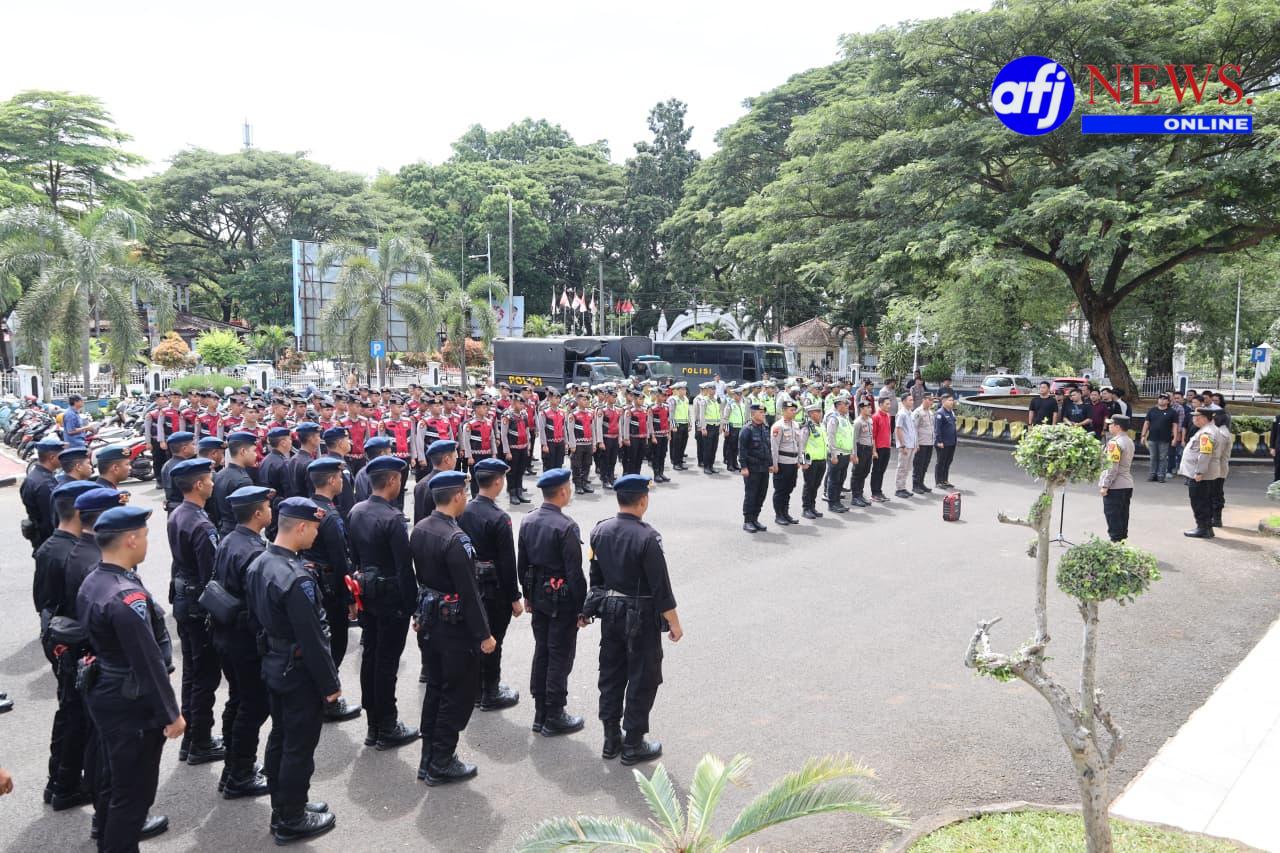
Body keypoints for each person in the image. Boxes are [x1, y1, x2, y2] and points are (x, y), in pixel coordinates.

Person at [76, 504, 182, 850]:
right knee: (133, 794)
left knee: (115, 782)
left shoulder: (95, 579)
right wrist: (171, 714)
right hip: (130, 701)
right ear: (131, 540)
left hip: (107, 691)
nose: (147, 542)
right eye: (145, 536)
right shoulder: (125, 595)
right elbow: (147, 661)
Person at [244, 497, 340, 844]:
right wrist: (330, 684)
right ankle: (292, 818)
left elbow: (254, 620)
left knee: (281, 738)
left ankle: (284, 805)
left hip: (274, 662)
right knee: (298, 746)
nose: (316, 535)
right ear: (300, 527)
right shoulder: (296, 578)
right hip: (298, 671)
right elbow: (312, 638)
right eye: (313, 528)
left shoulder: (260, 562)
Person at [588, 474, 682, 764]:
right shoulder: (648, 537)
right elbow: (661, 586)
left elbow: (595, 577)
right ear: (643, 500)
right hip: (640, 614)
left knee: (611, 674)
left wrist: (589, 608)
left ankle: (610, 738)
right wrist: (674, 622)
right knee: (643, 677)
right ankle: (633, 743)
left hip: (611, 611)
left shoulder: (599, 530)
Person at [411, 470, 496, 785]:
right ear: (458, 496)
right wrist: (484, 634)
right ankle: (442, 761)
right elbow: (470, 593)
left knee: (435, 688)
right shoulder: (456, 539)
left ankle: (429, 757)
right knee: (456, 694)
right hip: (454, 628)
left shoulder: (420, 528)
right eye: (465, 494)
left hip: (430, 620)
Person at [35, 480, 100, 811]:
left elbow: (42, 603)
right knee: (78, 718)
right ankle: (66, 785)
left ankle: (59, 781)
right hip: (73, 644)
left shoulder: (52, 546)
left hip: (60, 640)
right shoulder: (70, 552)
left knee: (68, 713)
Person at [348, 455, 420, 750]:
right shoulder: (392, 518)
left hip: (367, 593)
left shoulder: (356, 511)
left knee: (371, 657)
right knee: (387, 662)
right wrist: (414, 606)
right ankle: (387, 725)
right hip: (391, 599)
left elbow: (354, 557)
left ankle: (374, 724)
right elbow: (404, 568)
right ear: (392, 480)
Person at [209, 485, 272, 800]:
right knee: (253, 706)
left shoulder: (230, 539)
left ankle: (232, 768)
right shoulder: (253, 551)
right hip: (244, 640)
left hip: (226, 635)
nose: (271, 511)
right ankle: (241, 775)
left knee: (238, 701)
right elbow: (259, 605)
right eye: (267, 507)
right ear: (258, 513)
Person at [166, 457, 226, 766]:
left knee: (191, 673)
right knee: (205, 676)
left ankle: (191, 739)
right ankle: (201, 741)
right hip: (197, 608)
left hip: (183, 601)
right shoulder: (201, 525)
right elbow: (210, 577)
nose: (213, 484)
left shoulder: (178, 513)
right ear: (199, 484)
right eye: (210, 479)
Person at [518, 467, 587, 736]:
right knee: (560, 654)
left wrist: (528, 595)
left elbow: (522, 564)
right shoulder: (566, 526)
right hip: (561, 599)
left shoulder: (528, 520)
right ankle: (554, 713)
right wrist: (582, 608)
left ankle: (540, 713)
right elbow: (574, 573)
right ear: (562, 492)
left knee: (543, 650)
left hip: (538, 595)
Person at [459, 459, 523, 712]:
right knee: (494, 639)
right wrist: (514, 597)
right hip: (493, 587)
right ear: (498, 482)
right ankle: (491, 692)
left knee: (477, 637)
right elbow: (507, 562)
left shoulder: (465, 510)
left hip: (470, 584)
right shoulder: (499, 517)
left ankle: (476, 690)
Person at [304, 458, 362, 724]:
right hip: (330, 586)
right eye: (339, 477)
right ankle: (328, 700)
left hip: (312, 581)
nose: (342, 481)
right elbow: (341, 560)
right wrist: (350, 598)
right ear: (331, 480)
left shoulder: (307, 507)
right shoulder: (330, 515)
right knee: (335, 643)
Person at [1179, 407, 1218, 538]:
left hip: (1199, 474)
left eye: (1196, 417)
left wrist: (1199, 472)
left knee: (1199, 501)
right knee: (1203, 500)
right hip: (1201, 472)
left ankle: (1203, 528)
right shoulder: (1207, 430)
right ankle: (1206, 528)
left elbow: (1205, 454)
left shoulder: (1207, 433)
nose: (1194, 419)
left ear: (1204, 418)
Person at [22, 435, 64, 554]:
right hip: (47, 541)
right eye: (61, 454)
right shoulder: (44, 484)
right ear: (52, 457)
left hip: (40, 538)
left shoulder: (33, 477)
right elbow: (50, 520)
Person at [210, 432, 257, 536]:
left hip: (223, 530)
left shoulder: (219, 475)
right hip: (240, 534)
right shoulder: (243, 481)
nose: (256, 455)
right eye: (254, 451)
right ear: (243, 451)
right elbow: (248, 518)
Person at [1099, 415, 1135, 542]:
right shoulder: (1128, 440)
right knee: (1123, 515)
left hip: (1115, 486)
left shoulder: (1114, 443)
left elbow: (1112, 467)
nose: (1109, 426)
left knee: (1113, 516)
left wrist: (1105, 485)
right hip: (1126, 484)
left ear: (1117, 426)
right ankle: (1121, 542)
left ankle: (1115, 543)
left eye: (1111, 424)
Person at [769, 400, 805, 525]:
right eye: (791, 410)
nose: (794, 412)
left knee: (789, 489)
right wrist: (774, 465)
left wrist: (800, 460)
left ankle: (785, 513)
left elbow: (800, 444)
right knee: (780, 490)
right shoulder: (778, 426)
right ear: (784, 411)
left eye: (795, 410)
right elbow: (774, 447)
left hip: (793, 462)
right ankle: (779, 515)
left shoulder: (796, 425)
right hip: (782, 462)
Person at [737, 403, 772, 532]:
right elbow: (742, 450)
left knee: (761, 494)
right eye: (760, 413)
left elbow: (768, 448)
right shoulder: (747, 429)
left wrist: (770, 464)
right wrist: (743, 467)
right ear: (753, 414)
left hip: (764, 467)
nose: (763, 415)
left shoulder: (765, 428)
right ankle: (747, 521)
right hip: (752, 468)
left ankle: (755, 519)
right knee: (751, 495)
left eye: (764, 413)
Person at [414, 439, 458, 525]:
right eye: (455, 457)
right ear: (447, 460)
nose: (456, 460)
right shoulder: (449, 486)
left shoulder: (420, 484)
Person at [823, 396, 853, 513]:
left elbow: (849, 436)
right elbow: (830, 437)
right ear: (839, 405)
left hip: (845, 453)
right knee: (834, 480)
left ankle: (837, 502)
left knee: (841, 479)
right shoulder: (834, 418)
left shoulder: (844, 418)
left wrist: (851, 452)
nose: (848, 406)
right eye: (846, 404)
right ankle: (832, 503)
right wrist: (833, 454)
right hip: (837, 454)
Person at [1141, 394, 1178, 483]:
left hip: (1165, 439)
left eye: (1164, 399)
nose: (1161, 400)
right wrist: (1143, 435)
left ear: (1168, 401)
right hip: (1152, 438)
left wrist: (1175, 438)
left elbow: (1175, 426)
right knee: (1153, 457)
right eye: (1160, 398)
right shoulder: (1152, 410)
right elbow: (1146, 423)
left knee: (1162, 458)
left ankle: (1161, 475)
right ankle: (1152, 474)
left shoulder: (1172, 412)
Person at [799, 403, 827, 519]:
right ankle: (806, 509)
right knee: (809, 485)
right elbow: (801, 445)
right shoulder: (807, 427)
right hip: (811, 462)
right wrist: (803, 462)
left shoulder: (821, 426)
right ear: (810, 414)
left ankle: (812, 507)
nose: (820, 414)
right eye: (817, 412)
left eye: (820, 411)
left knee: (816, 485)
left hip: (822, 460)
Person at [567, 391, 599, 494]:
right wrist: (572, 445)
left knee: (587, 464)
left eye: (587, 400)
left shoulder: (590, 413)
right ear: (577, 400)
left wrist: (594, 444)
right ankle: (578, 485)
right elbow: (570, 430)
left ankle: (585, 483)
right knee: (576, 465)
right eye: (584, 400)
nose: (586, 402)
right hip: (578, 444)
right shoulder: (573, 414)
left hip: (588, 443)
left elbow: (593, 429)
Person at [283, 422, 322, 499]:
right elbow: (313, 492)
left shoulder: (293, 459)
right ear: (311, 439)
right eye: (318, 436)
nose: (319, 439)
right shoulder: (310, 463)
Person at [692, 381, 722, 475]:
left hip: (716, 426)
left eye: (714, 389)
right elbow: (702, 415)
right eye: (711, 389)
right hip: (708, 427)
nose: (713, 391)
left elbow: (719, 413)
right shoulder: (704, 400)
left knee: (714, 448)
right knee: (707, 448)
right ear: (708, 390)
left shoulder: (716, 400)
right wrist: (703, 428)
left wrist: (720, 426)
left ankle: (711, 465)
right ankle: (706, 467)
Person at [1210, 407, 1232, 528]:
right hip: (1216, 468)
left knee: (1216, 494)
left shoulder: (1222, 433)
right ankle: (1214, 517)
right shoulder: (1220, 431)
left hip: (1217, 469)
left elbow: (1216, 453)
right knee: (1214, 493)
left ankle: (1216, 518)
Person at [869, 396, 893, 502]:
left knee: (882, 471)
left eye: (889, 404)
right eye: (887, 404)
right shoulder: (875, 417)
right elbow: (873, 436)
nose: (889, 406)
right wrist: (874, 451)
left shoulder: (888, 415)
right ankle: (874, 493)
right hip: (878, 448)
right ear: (880, 404)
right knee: (876, 471)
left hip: (887, 447)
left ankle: (879, 491)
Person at [894, 394, 918, 499]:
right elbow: (898, 429)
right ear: (904, 401)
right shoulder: (901, 414)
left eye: (912, 400)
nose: (912, 402)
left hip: (911, 445)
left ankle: (903, 487)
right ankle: (899, 489)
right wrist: (902, 445)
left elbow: (913, 430)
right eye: (910, 400)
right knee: (902, 467)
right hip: (905, 445)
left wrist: (915, 444)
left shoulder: (911, 413)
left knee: (907, 468)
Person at [911, 394, 936, 494]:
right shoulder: (918, 412)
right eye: (930, 400)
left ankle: (921, 483)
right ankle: (915, 485)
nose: (931, 402)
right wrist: (916, 443)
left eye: (932, 400)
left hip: (929, 442)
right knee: (918, 464)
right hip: (921, 443)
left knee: (925, 464)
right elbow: (914, 428)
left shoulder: (930, 412)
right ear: (924, 400)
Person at [934, 395, 959, 490]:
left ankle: (945, 480)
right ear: (943, 401)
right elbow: (937, 429)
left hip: (951, 442)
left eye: (952, 400)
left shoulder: (951, 412)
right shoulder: (940, 413)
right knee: (941, 462)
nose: (952, 402)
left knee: (948, 461)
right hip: (943, 443)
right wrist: (939, 441)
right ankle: (938, 481)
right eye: (950, 400)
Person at [667, 382, 691, 470]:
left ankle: (680, 461)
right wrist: (673, 426)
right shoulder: (673, 399)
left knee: (683, 444)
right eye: (682, 389)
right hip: (677, 425)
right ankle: (676, 463)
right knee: (676, 445)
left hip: (685, 424)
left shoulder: (686, 399)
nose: (684, 391)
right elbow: (671, 413)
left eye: (685, 389)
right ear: (677, 390)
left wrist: (689, 424)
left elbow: (688, 412)